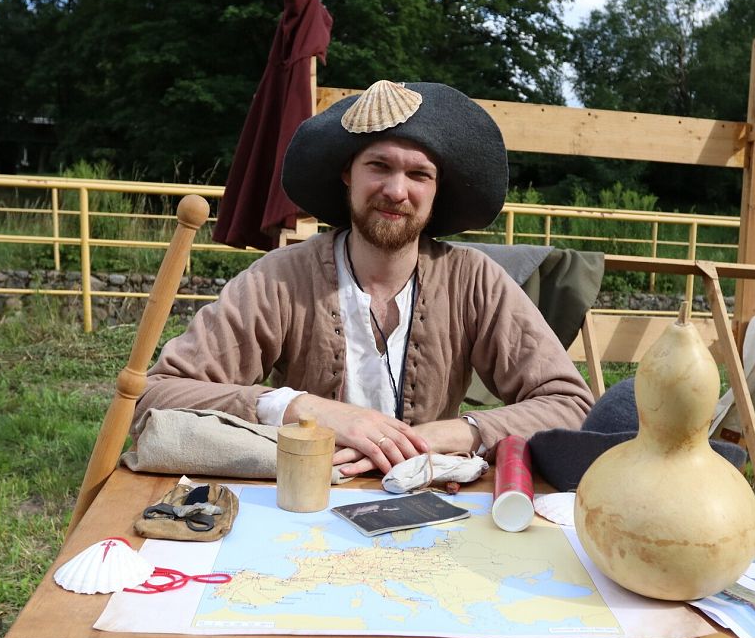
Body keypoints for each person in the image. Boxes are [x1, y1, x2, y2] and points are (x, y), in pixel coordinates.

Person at [135, 80, 593, 476]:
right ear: (347, 174)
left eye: (419, 174)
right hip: (302, 503)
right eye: (379, 166)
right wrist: (301, 408)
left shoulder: (474, 280)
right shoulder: (281, 279)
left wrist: (458, 433)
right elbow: (154, 396)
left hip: (433, 507)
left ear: (437, 191)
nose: (396, 190)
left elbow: (571, 405)